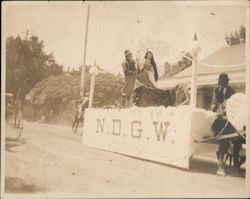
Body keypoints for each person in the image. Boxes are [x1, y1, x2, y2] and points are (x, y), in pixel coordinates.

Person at [211, 73, 244, 176]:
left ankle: (236, 165)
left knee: (238, 137)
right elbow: (215, 101)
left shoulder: (230, 90)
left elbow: (233, 101)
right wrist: (219, 107)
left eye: (225, 81)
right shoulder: (216, 90)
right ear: (219, 82)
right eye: (222, 81)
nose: (224, 83)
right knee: (220, 125)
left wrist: (228, 106)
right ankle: (220, 166)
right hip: (220, 112)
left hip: (229, 111)